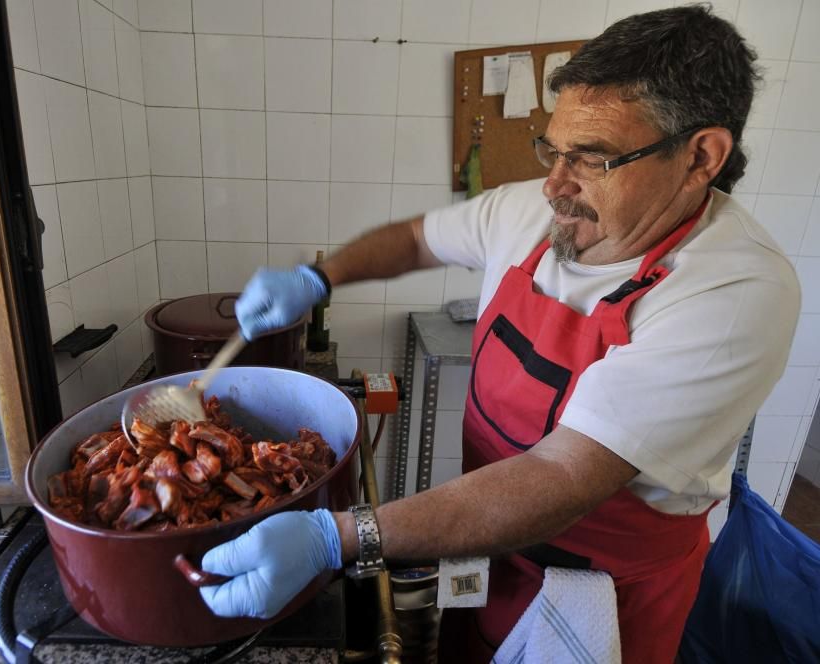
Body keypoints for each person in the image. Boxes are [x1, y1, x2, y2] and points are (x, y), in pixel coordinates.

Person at [197, 6, 801, 662]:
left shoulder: (735, 290)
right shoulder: (532, 213)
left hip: (609, 600)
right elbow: (412, 240)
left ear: (700, 156)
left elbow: (563, 473)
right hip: (493, 546)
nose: (554, 185)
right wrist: (321, 276)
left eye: (590, 159)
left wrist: (337, 539)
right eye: (552, 149)